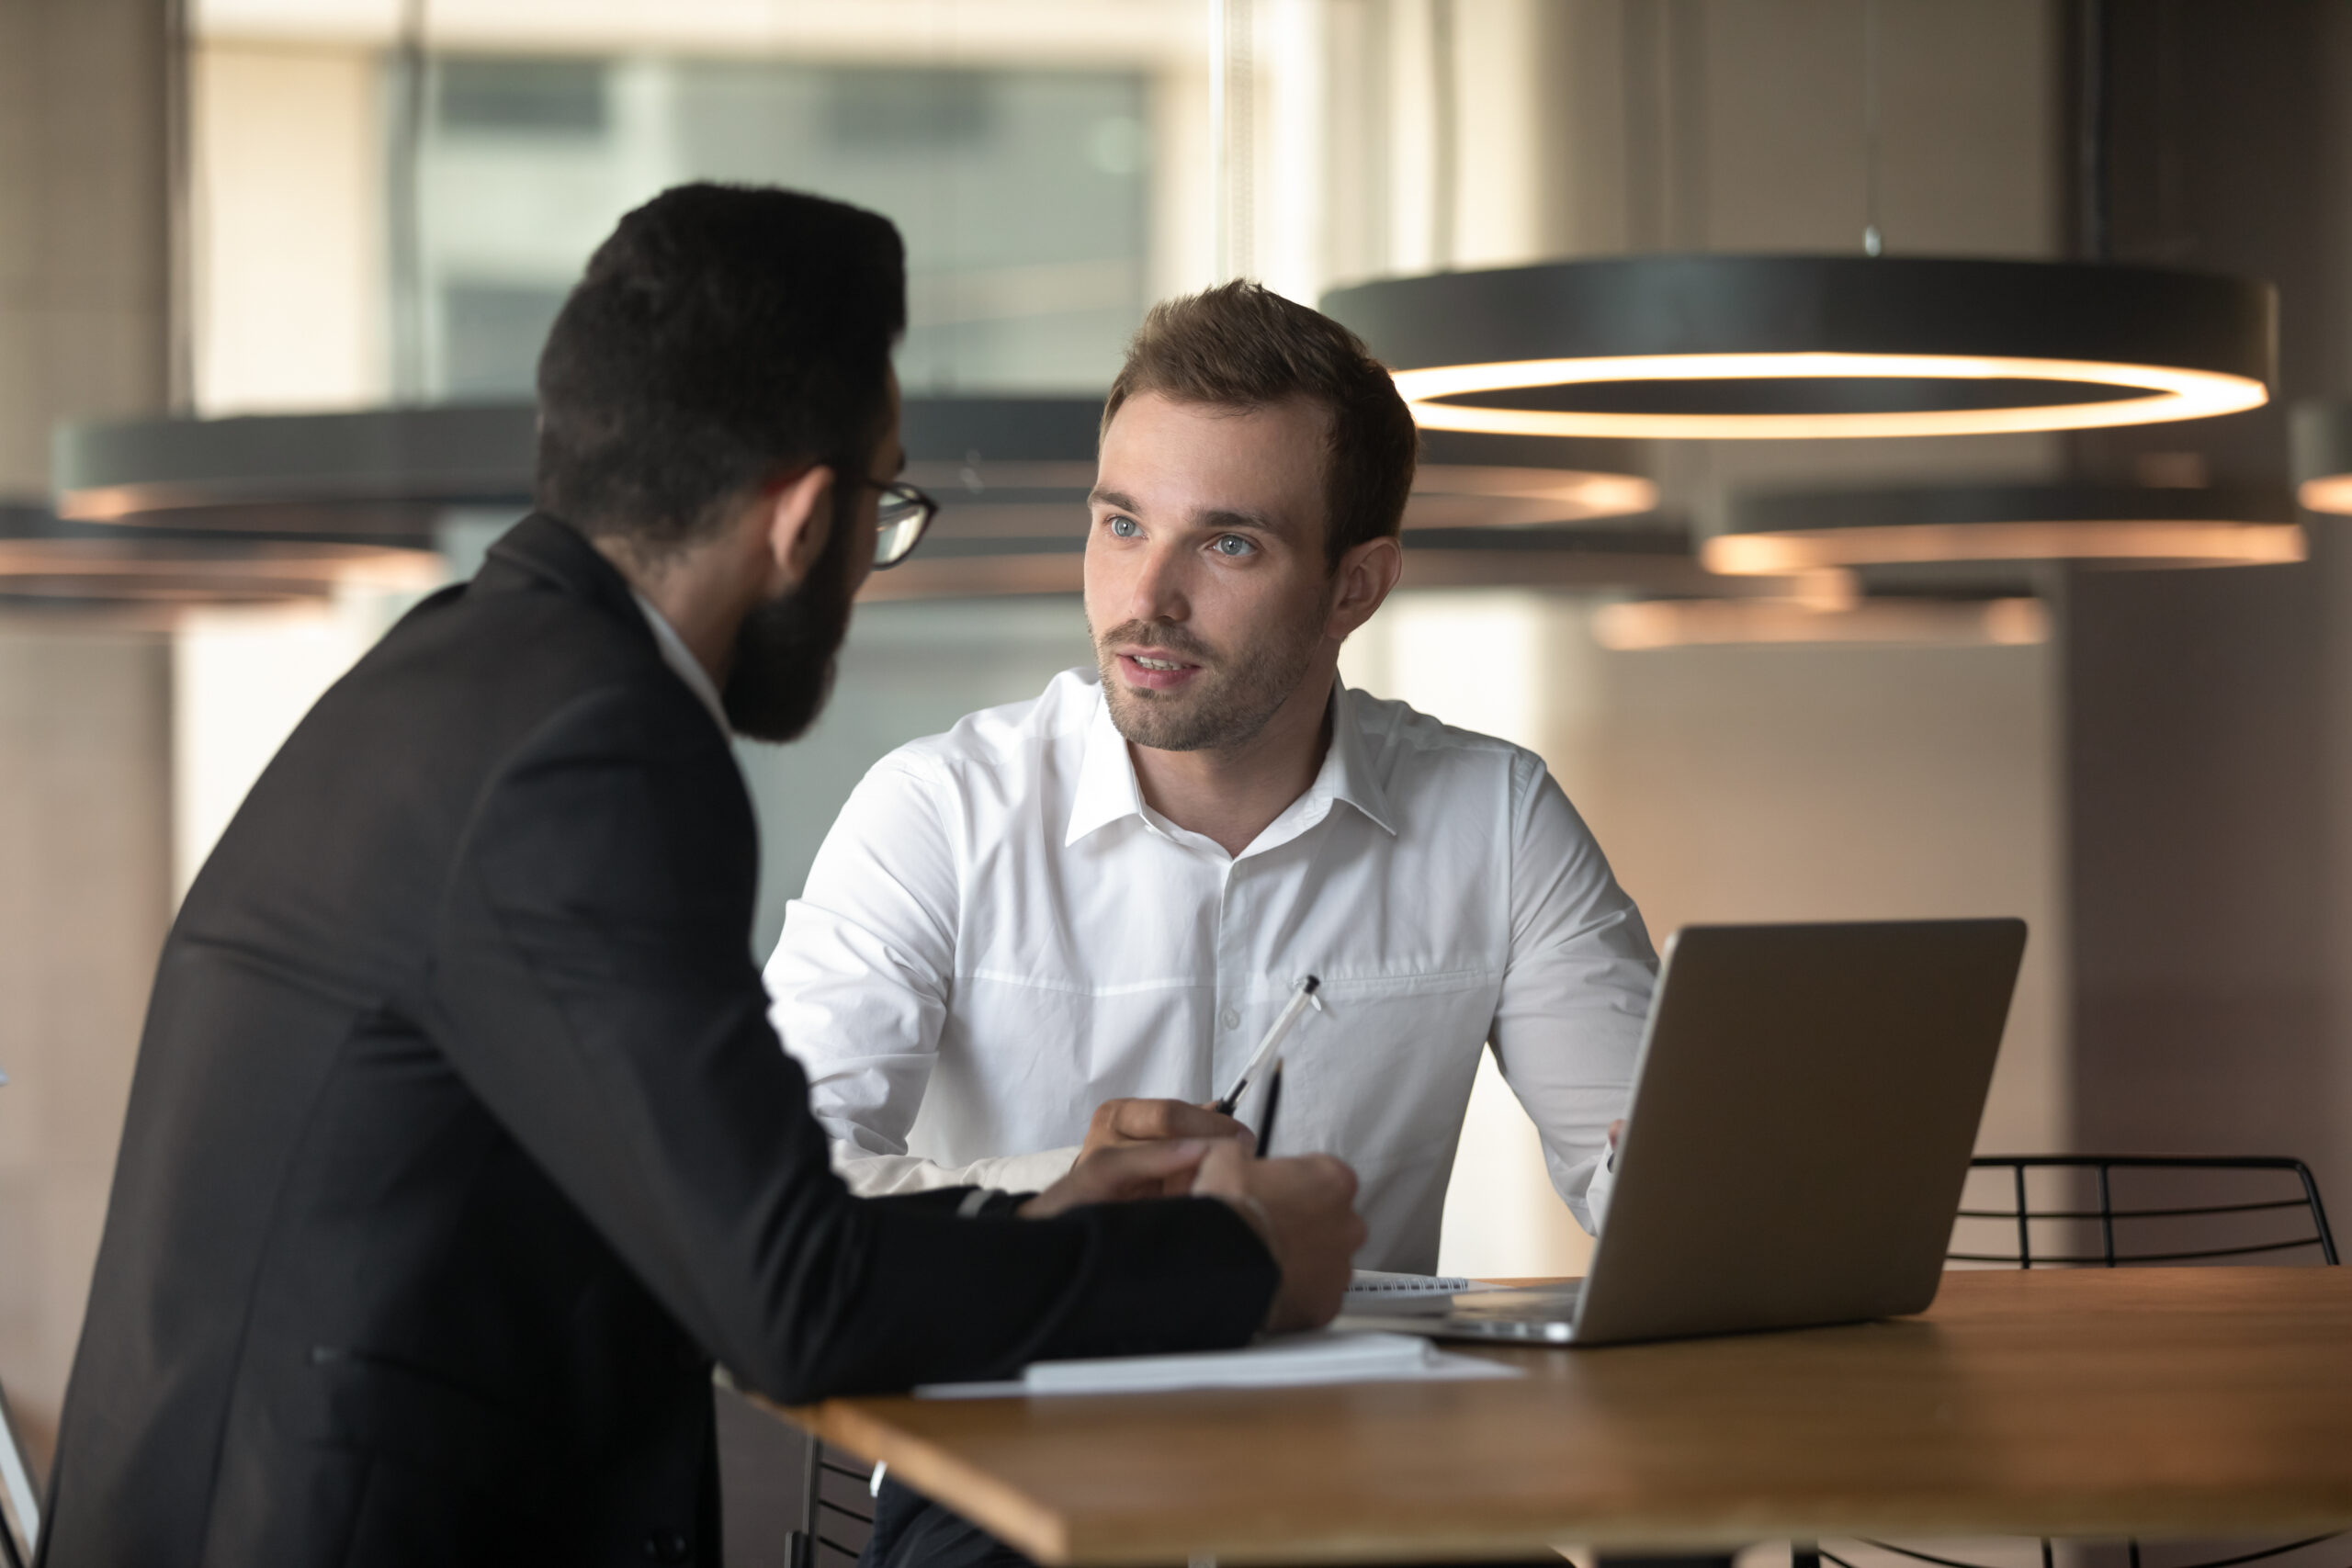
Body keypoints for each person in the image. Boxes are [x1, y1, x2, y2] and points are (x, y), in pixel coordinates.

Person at [36, 187, 1363, 1568]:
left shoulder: (466, 672)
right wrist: (1241, 1262)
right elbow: (787, 1301)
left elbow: (721, 1212)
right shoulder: (593, 752)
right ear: (800, 520)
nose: (864, 564)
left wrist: (1034, 1219)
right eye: (882, 507)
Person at [766, 281, 1656, 1279]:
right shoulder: (937, 812)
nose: (1147, 600)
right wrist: (1061, 1194)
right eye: (1122, 525)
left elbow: (1659, 1196)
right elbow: (776, 1191)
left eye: (1228, 544)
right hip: (1012, 1424)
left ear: (1353, 587)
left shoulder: (1495, 819)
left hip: (1360, 1427)